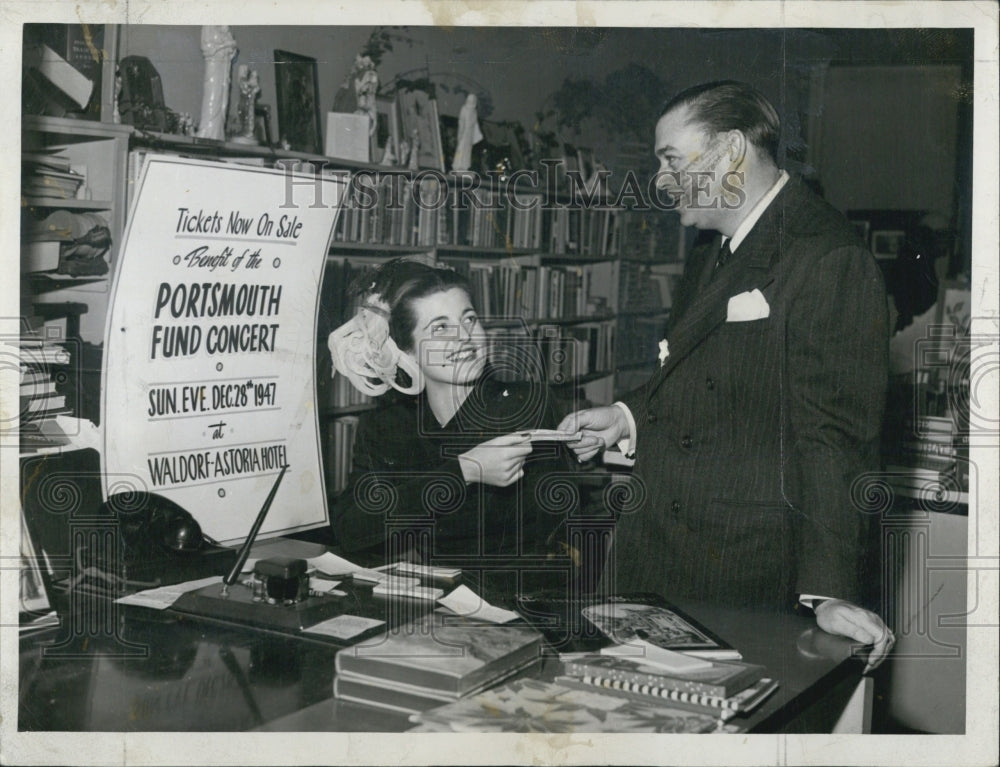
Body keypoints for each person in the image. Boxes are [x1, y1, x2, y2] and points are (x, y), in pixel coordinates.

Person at [559, 81, 894, 671]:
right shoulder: (712, 247)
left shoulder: (827, 256)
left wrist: (829, 589)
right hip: (660, 553)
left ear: (731, 149)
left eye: (670, 160)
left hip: (741, 575)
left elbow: (833, 437)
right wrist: (627, 414)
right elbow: (698, 371)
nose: (660, 182)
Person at [329, 259, 578, 601]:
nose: (465, 338)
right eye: (440, 328)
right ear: (405, 352)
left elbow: (545, 542)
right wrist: (463, 470)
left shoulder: (525, 405)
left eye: (469, 319)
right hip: (426, 598)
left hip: (512, 604)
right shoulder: (386, 426)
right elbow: (351, 529)